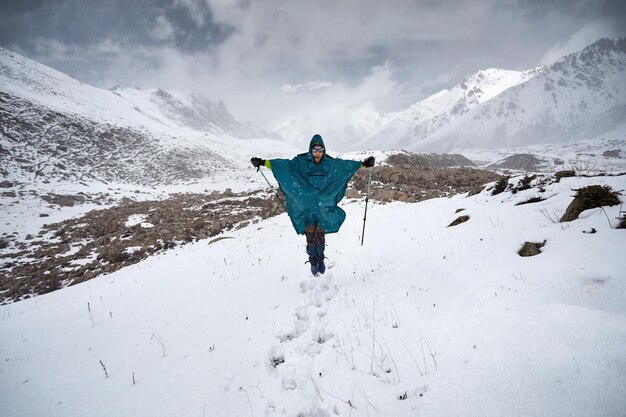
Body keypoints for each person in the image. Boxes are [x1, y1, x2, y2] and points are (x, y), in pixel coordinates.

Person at [251, 134, 375, 276]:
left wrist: (363, 164)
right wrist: (263, 162)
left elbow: (345, 167)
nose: (318, 153)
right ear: (311, 150)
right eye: (315, 150)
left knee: (320, 237)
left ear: (324, 150)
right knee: (310, 237)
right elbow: (285, 166)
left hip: (323, 208)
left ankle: (320, 259)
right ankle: (312, 261)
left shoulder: (330, 164)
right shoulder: (300, 162)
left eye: (320, 150)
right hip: (306, 208)